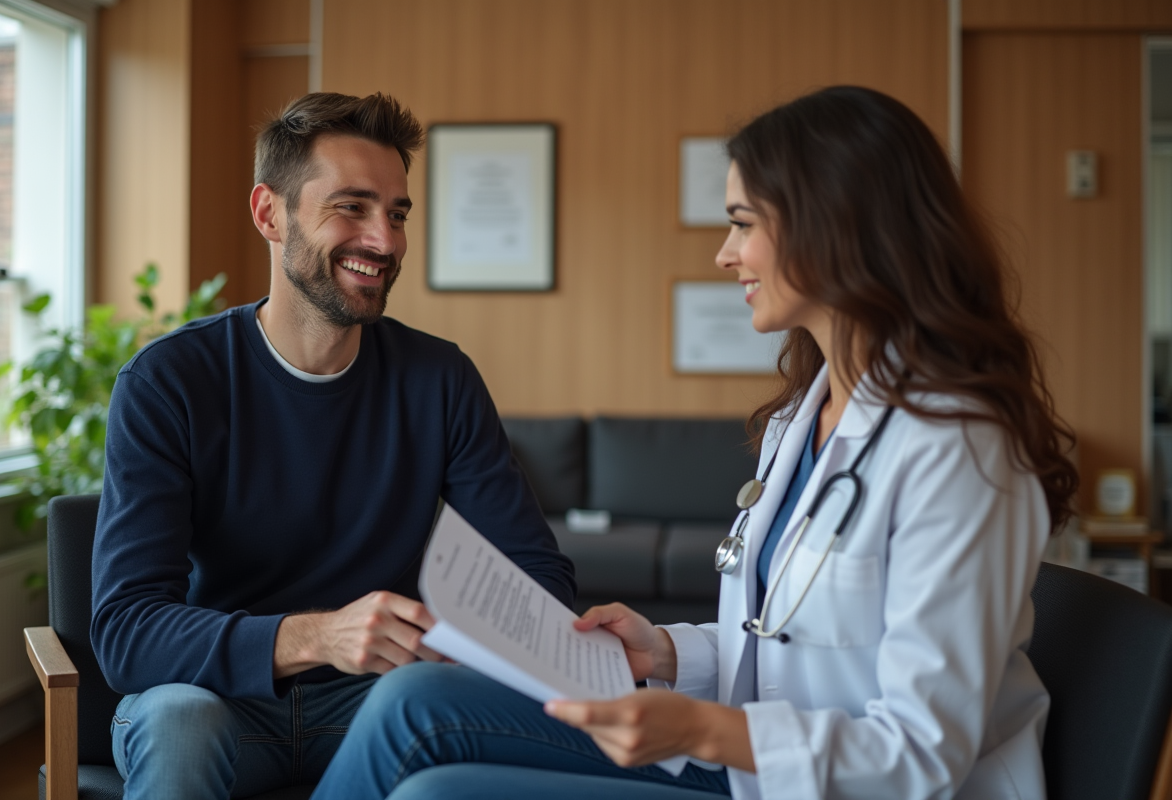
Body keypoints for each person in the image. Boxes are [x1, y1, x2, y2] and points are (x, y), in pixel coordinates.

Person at [309, 85, 1078, 800]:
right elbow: (785, 638)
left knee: (435, 791)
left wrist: (704, 726)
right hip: (759, 767)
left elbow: (922, 753)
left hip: (839, 783)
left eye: (743, 223)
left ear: (835, 224)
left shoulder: (959, 448)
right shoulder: (808, 414)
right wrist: (667, 654)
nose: (724, 253)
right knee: (417, 699)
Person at [90, 91, 575, 800]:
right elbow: (129, 631)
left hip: (377, 703)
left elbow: (541, 583)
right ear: (269, 214)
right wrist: (317, 638)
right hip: (215, 699)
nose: (385, 240)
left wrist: (460, 637)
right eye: (351, 207)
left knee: (445, 717)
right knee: (180, 724)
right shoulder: (169, 381)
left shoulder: (440, 379)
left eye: (398, 212)